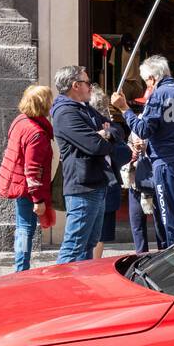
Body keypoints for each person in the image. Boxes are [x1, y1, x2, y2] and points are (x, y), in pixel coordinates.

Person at [112, 55, 174, 245]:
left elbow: (143, 129)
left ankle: (173, 264)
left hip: (166, 161)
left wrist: (124, 109)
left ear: (152, 78)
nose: (147, 86)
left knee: (169, 219)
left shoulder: (159, 94)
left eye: (146, 82)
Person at [51, 65, 122, 263]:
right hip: (83, 187)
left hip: (97, 183)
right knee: (74, 246)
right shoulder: (65, 113)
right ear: (75, 85)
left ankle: (79, 287)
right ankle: (60, 289)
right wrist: (102, 136)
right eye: (87, 82)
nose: (91, 87)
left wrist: (107, 133)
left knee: (89, 243)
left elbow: (117, 130)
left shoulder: (84, 108)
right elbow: (94, 146)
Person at [0, 84, 56, 272]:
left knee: (23, 227)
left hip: (18, 182)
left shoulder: (20, 120)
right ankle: (21, 269)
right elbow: (32, 169)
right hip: (27, 188)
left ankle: (21, 267)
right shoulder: (36, 133)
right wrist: (38, 200)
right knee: (25, 229)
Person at [89, 84, 127, 254]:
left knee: (96, 234)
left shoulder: (112, 129)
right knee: (97, 235)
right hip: (98, 185)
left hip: (102, 186)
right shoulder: (107, 129)